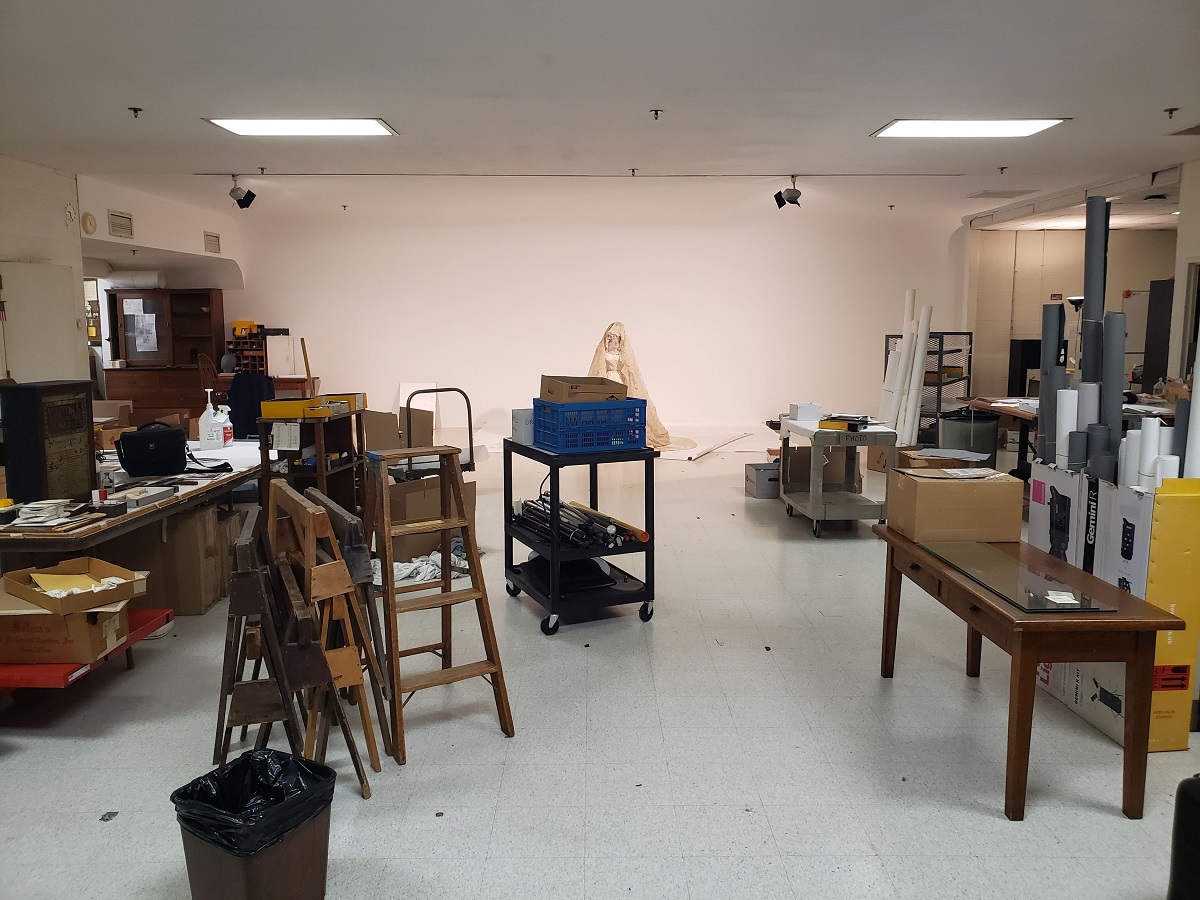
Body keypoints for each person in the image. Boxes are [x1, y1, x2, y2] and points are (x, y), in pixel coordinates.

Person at [587, 321, 675, 449]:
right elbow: (599, 367)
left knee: (620, 407)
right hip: (608, 379)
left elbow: (630, 367)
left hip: (619, 380)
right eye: (610, 339)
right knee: (607, 408)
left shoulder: (623, 353)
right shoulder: (604, 352)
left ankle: (620, 435)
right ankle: (607, 435)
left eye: (615, 340)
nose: (612, 342)